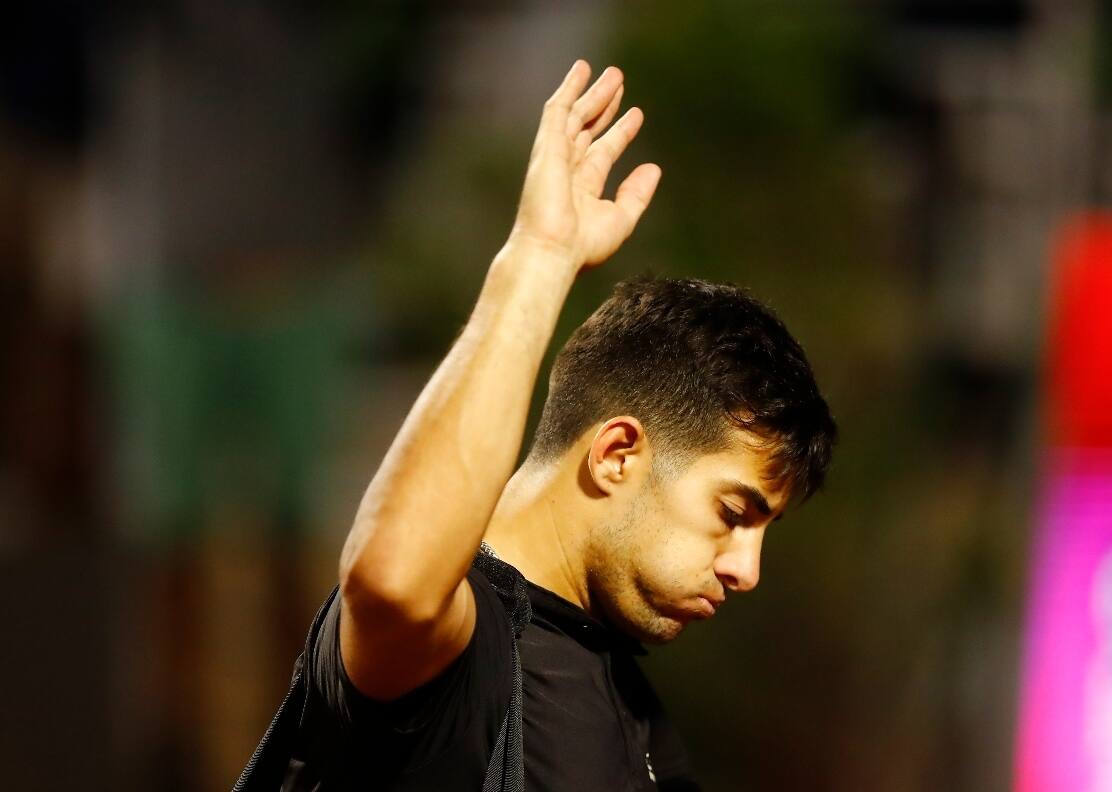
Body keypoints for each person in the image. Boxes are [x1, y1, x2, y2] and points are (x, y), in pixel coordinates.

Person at [280, 59, 837, 790]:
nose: (747, 570)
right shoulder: (465, 653)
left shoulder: (627, 702)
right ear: (615, 455)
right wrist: (538, 259)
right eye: (734, 512)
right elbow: (393, 584)